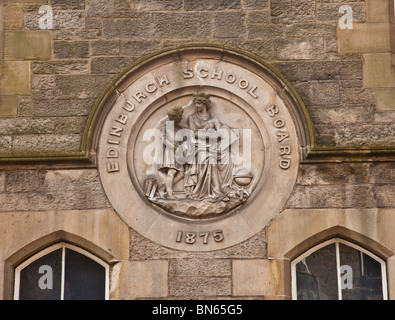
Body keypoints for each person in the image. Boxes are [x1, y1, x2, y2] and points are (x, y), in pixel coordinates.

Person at [184, 92, 235, 203]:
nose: (196, 106)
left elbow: (220, 131)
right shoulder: (192, 118)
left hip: (213, 146)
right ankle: (217, 192)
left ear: (204, 104)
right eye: (195, 103)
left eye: (198, 103)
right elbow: (193, 134)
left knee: (228, 155)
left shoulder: (213, 118)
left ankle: (225, 186)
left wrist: (220, 134)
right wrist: (211, 135)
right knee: (210, 159)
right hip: (198, 147)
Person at [158, 106, 186, 200]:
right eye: (180, 116)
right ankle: (169, 193)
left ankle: (163, 189)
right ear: (175, 116)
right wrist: (175, 148)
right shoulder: (165, 126)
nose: (181, 118)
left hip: (178, 151)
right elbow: (164, 140)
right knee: (172, 171)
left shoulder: (178, 128)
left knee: (181, 173)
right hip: (171, 151)